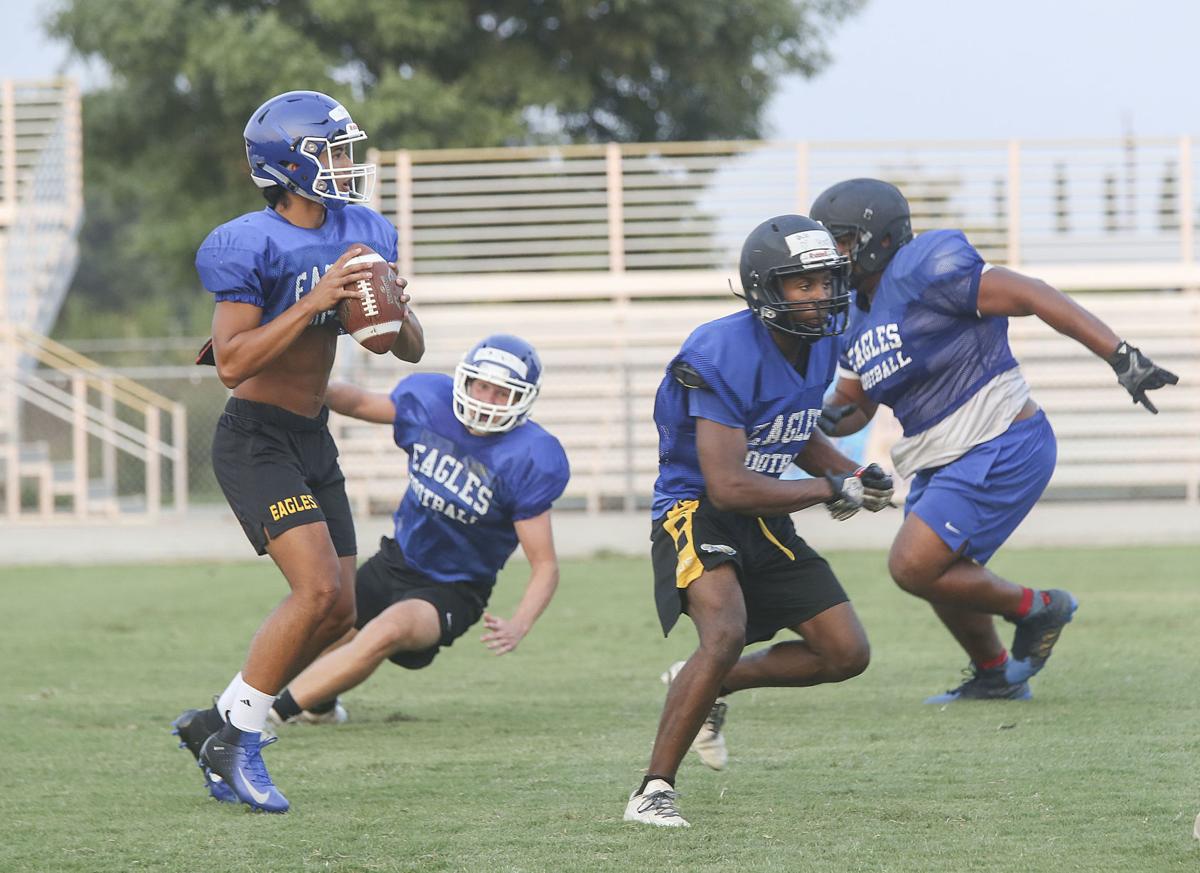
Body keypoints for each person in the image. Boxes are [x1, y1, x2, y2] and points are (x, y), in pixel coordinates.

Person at [810, 178, 1178, 703]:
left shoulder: (924, 269)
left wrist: (1120, 355)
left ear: (880, 239)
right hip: (940, 454)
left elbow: (1030, 293)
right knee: (943, 571)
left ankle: (1038, 607)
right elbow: (854, 406)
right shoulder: (852, 313)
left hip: (1000, 437)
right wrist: (815, 419)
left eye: (841, 242)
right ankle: (994, 674)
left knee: (913, 564)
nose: (834, 256)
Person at [170, 90, 425, 813]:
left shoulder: (364, 228)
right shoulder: (247, 241)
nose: (347, 165)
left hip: (312, 437)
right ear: (288, 163)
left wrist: (394, 306)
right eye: (331, 152)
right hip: (255, 436)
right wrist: (315, 303)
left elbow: (410, 348)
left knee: (341, 611)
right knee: (313, 588)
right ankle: (237, 738)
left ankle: (215, 720)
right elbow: (231, 361)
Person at [623, 215, 895, 828]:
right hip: (697, 508)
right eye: (803, 284)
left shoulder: (823, 339)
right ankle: (652, 790)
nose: (820, 294)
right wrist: (829, 487)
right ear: (765, 288)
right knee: (723, 632)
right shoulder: (720, 350)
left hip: (762, 508)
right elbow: (727, 483)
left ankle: (710, 682)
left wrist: (852, 474)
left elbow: (789, 429)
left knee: (845, 652)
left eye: (827, 278)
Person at [256, 335, 569, 730]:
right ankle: (317, 707)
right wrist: (299, 386)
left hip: (454, 587)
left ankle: (267, 715)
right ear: (465, 381)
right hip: (397, 559)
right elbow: (358, 402)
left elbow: (545, 565)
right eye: (482, 386)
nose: (487, 400)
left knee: (388, 629)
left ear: (522, 400)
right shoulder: (430, 402)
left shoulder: (529, 456)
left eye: (502, 393)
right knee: (328, 627)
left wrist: (519, 624)